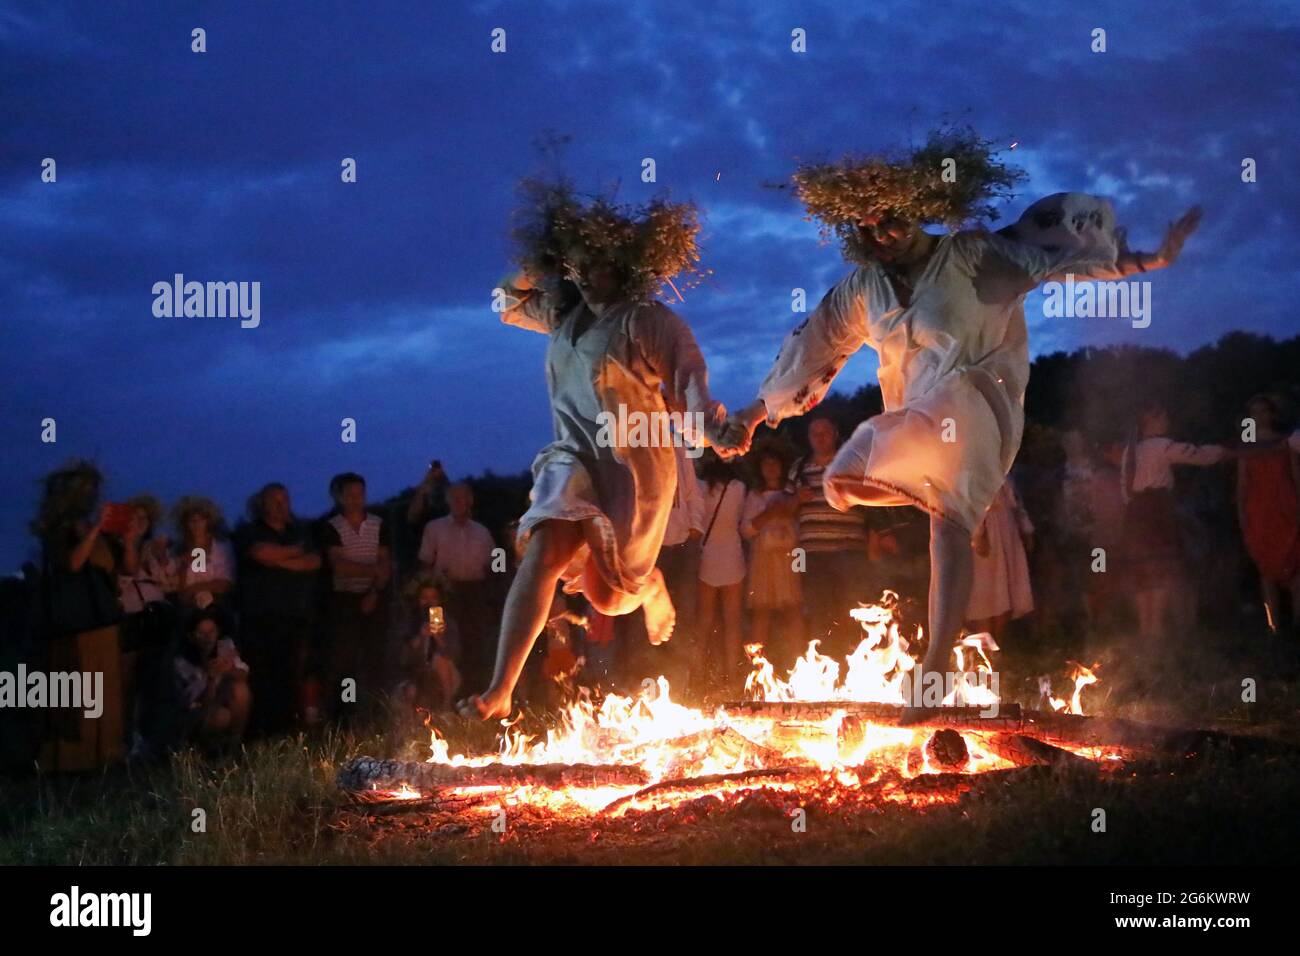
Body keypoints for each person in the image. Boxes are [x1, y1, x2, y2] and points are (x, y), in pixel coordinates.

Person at [720, 129, 1202, 701]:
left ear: (920, 212)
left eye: (890, 222)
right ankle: (955, 508)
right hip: (913, 417)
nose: (879, 237)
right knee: (838, 483)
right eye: (866, 228)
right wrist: (751, 415)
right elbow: (812, 348)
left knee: (945, 520)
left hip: (976, 399)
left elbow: (1055, 265)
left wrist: (1151, 258)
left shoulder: (971, 254)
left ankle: (936, 664)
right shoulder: (863, 288)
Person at [458, 180, 726, 719]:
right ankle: (501, 689)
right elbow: (505, 301)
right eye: (577, 263)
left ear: (625, 262)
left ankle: (650, 587)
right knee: (545, 551)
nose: (585, 273)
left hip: (634, 467)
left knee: (609, 596)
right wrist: (538, 260)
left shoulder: (646, 320)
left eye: (596, 261)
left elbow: (689, 380)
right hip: (573, 458)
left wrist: (713, 429)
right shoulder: (563, 315)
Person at [31, 461, 127, 771]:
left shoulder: (95, 532)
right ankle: (74, 762)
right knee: (80, 693)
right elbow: (72, 564)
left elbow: (121, 570)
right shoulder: (56, 531)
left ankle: (105, 758)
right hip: (75, 624)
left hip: (103, 620)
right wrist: (95, 529)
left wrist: (129, 537)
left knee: (106, 689)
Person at [1122, 403, 1227, 643]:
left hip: (1136, 512)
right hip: (1155, 512)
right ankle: (1154, 631)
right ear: (1151, 421)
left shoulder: (1132, 450)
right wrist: (1226, 451)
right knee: (1157, 569)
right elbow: (1198, 455)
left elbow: (1124, 486)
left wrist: (1131, 506)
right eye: (1162, 418)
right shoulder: (1161, 445)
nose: (1166, 422)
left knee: (1143, 571)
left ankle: (1146, 630)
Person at [234, 483, 321, 735]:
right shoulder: (250, 531)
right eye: (275, 500)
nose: (281, 505)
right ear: (263, 504)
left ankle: (288, 730)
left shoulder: (300, 530)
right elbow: (260, 553)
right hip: (259, 619)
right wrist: (293, 554)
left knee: (291, 674)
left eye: (285, 499)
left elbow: (313, 562)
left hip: (294, 617)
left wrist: (279, 561)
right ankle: (259, 733)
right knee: (261, 676)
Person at [785, 416, 872, 655]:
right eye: (814, 433)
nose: (820, 437)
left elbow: (872, 504)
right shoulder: (799, 468)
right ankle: (826, 669)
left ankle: (855, 667)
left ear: (835, 433)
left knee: (852, 611)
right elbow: (786, 511)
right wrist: (796, 499)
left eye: (824, 432)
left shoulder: (852, 463)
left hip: (849, 552)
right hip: (812, 555)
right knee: (818, 611)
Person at [319, 473, 392, 720]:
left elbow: (385, 563)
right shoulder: (330, 526)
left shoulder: (378, 524)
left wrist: (373, 590)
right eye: (349, 495)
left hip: (373, 598)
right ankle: (343, 717)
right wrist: (372, 570)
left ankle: (376, 714)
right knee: (344, 662)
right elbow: (339, 565)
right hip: (342, 602)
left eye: (359, 494)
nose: (355, 499)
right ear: (339, 496)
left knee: (376, 659)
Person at [418, 482, 497, 695]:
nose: (458, 502)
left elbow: (493, 565)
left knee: (475, 643)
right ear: (447, 501)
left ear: (470, 501)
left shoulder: (482, 532)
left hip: (475, 593)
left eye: (462, 497)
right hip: (446, 594)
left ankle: (475, 694)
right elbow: (425, 562)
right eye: (453, 498)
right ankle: (446, 697)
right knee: (446, 643)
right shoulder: (434, 528)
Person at [1236, 395, 1300, 635]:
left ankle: (1296, 625)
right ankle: (1273, 627)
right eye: (1255, 412)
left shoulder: (1286, 442)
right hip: (1260, 512)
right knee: (1266, 569)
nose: (1260, 416)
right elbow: (1242, 484)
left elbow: (1295, 476)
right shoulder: (1247, 445)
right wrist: (1242, 514)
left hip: (1286, 507)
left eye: (1263, 411)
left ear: (1272, 414)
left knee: (1295, 565)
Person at [741, 446, 803, 667]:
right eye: (766, 463)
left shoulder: (792, 494)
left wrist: (800, 568)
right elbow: (746, 529)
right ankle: (756, 668)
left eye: (774, 463)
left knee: (794, 610)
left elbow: (800, 531)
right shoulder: (754, 496)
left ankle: (800, 664)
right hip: (763, 560)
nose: (770, 467)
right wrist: (769, 514)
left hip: (790, 559)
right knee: (761, 613)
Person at [696, 453, 748, 690]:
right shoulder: (738, 487)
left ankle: (696, 674)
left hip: (707, 556)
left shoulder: (700, 487)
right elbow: (740, 520)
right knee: (732, 621)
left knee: (704, 622)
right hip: (732, 556)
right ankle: (732, 676)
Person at [169, 607, 251, 752]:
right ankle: (202, 751)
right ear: (191, 636)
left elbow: (243, 673)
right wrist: (211, 678)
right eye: (201, 633)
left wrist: (229, 669)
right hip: (193, 713)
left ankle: (234, 747)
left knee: (241, 690)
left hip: (219, 700)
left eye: (211, 631)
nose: (208, 637)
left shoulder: (224, 646)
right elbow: (200, 702)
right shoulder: (183, 663)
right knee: (221, 716)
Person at [966, 478, 1034, 642]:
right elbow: (968, 498)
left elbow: (1013, 498)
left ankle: (997, 649)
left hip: (1005, 528)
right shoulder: (971, 463)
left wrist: (1026, 527)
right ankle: (981, 647)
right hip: (987, 533)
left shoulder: (1000, 463)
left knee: (1003, 593)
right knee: (983, 596)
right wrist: (977, 534)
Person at [394, 572, 461, 713]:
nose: (428, 602)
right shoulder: (410, 622)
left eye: (433, 598)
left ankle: (447, 707)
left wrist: (438, 637)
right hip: (416, 674)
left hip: (445, 675)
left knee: (440, 659)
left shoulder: (448, 622)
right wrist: (420, 636)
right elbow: (403, 657)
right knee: (408, 691)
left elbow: (452, 654)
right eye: (424, 598)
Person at [172, 495, 236, 611]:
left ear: (208, 522)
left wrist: (194, 588)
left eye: (201, 519)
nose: (196, 524)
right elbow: (185, 586)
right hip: (189, 608)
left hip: (219, 606)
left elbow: (226, 583)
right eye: (192, 520)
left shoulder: (222, 547)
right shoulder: (179, 549)